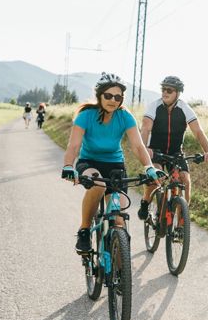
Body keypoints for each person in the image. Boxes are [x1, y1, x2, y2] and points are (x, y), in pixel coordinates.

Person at [61, 72, 161, 253]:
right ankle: (84, 230)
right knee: (98, 185)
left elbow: (138, 146)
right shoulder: (86, 115)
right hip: (89, 162)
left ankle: (119, 269)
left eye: (117, 97)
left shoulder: (125, 116)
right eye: (108, 95)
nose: (113, 100)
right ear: (99, 95)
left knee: (119, 220)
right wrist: (68, 165)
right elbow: (74, 145)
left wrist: (149, 168)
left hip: (115, 166)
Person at [137, 75, 208, 221]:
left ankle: (181, 220)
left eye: (169, 90)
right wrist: (145, 147)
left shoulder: (185, 108)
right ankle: (145, 201)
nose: (165, 92)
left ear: (178, 93)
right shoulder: (154, 106)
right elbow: (146, 129)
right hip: (155, 151)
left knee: (185, 180)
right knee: (153, 177)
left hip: (176, 153)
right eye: (163, 89)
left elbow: (198, 131)